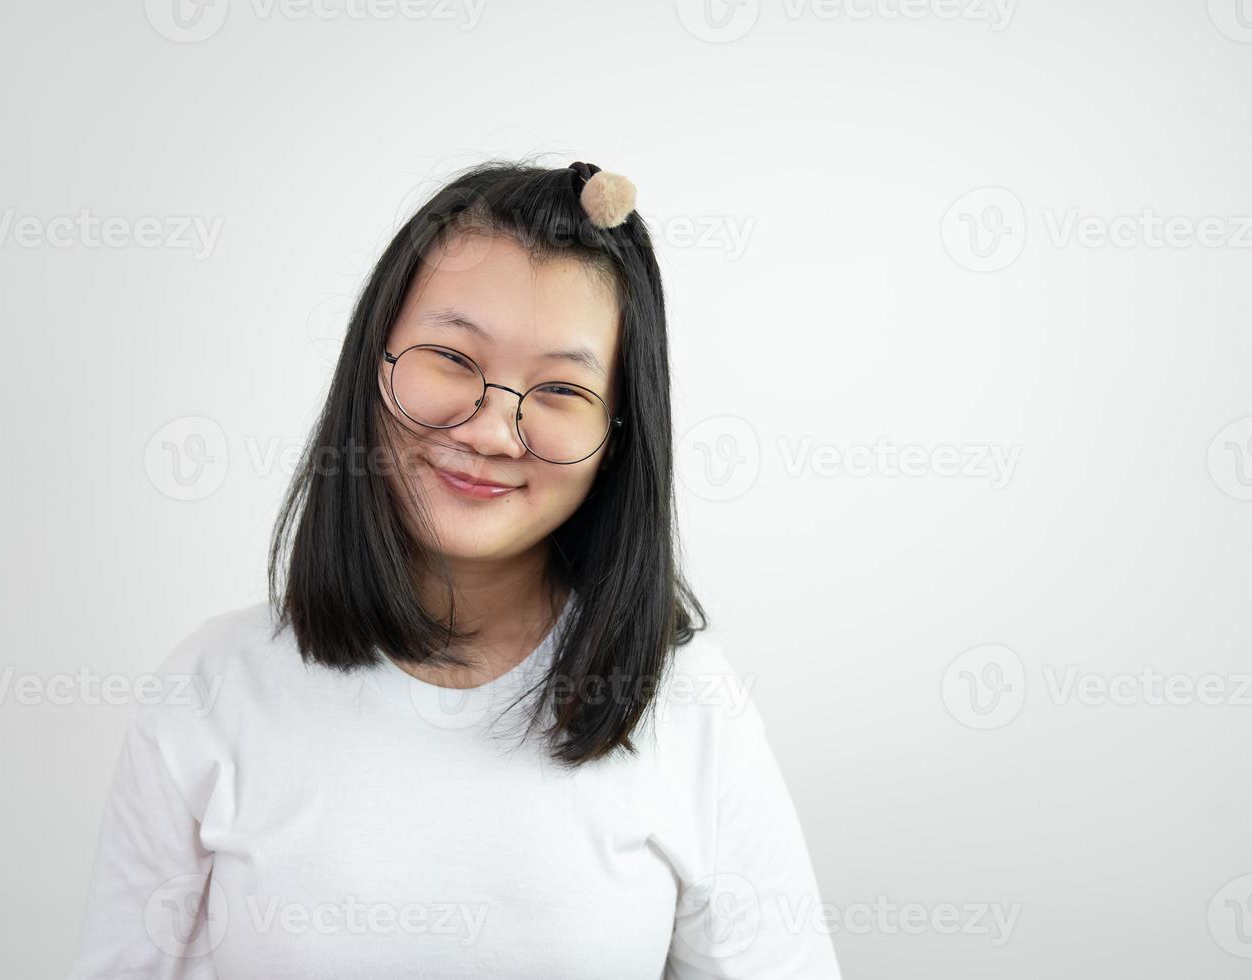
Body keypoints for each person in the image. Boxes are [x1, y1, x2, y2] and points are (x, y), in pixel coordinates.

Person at [67, 158, 842, 979]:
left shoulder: (691, 706)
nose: (492, 431)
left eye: (559, 390)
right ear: (374, 359)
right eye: (451, 358)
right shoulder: (212, 688)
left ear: (618, 435)